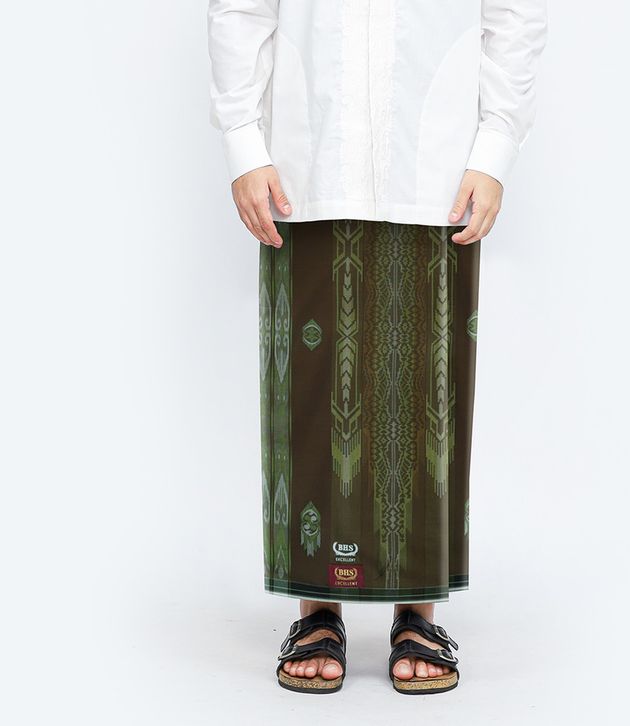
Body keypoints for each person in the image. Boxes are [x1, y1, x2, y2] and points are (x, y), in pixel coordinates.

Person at [207, 0, 547, 695]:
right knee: (310, 388)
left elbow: (515, 11)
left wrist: (494, 145)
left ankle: (417, 611)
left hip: (436, 159)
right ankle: (316, 609)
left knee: (425, 393)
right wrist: (244, 139)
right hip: (307, 159)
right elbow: (240, 8)